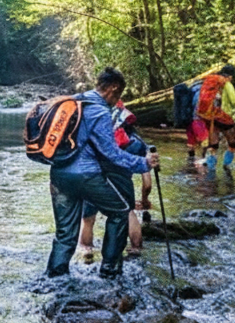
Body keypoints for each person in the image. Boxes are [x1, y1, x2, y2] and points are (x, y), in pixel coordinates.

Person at [45, 67, 159, 280]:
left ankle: (55, 277)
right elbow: (111, 153)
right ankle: (109, 271)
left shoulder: (74, 103)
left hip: (58, 175)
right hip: (86, 176)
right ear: (113, 89)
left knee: (64, 232)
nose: (117, 102)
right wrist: (143, 163)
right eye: (119, 96)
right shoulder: (99, 111)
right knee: (120, 211)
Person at [76, 107, 151, 261]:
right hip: (122, 183)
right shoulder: (136, 143)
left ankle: (86, 250)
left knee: (88, 219)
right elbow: (147, 182)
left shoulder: (94, 137)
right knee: (128, 212)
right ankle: (136, 248)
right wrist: (144, 199)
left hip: (94, 180)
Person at [197, 64, 235, 170]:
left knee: (214, 145)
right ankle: (227, 165)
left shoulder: (213, 83)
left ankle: (210, 169)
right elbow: (234, 101)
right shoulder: (227, 84)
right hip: (223, 117)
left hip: (211, 116)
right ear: (230, 76)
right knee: (232, 143)